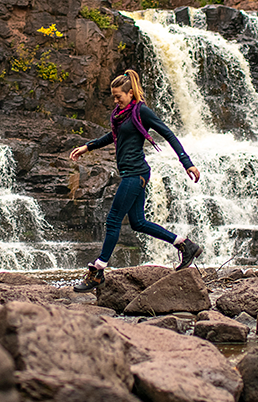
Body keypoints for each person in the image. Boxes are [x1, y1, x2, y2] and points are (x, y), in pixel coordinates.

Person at [69, 69, 202, 293]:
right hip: (130, 173)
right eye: (113, 96)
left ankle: (98, 271)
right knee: (138, 223)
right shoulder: (120, 115)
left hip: (135, 174)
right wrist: (88, 146)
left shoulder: (142, 112)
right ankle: (185, 244)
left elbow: (168, 134)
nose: (115, 99)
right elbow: (114, 136)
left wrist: (187, 162)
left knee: (113, 221)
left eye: (118, 95)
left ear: (130, 93)